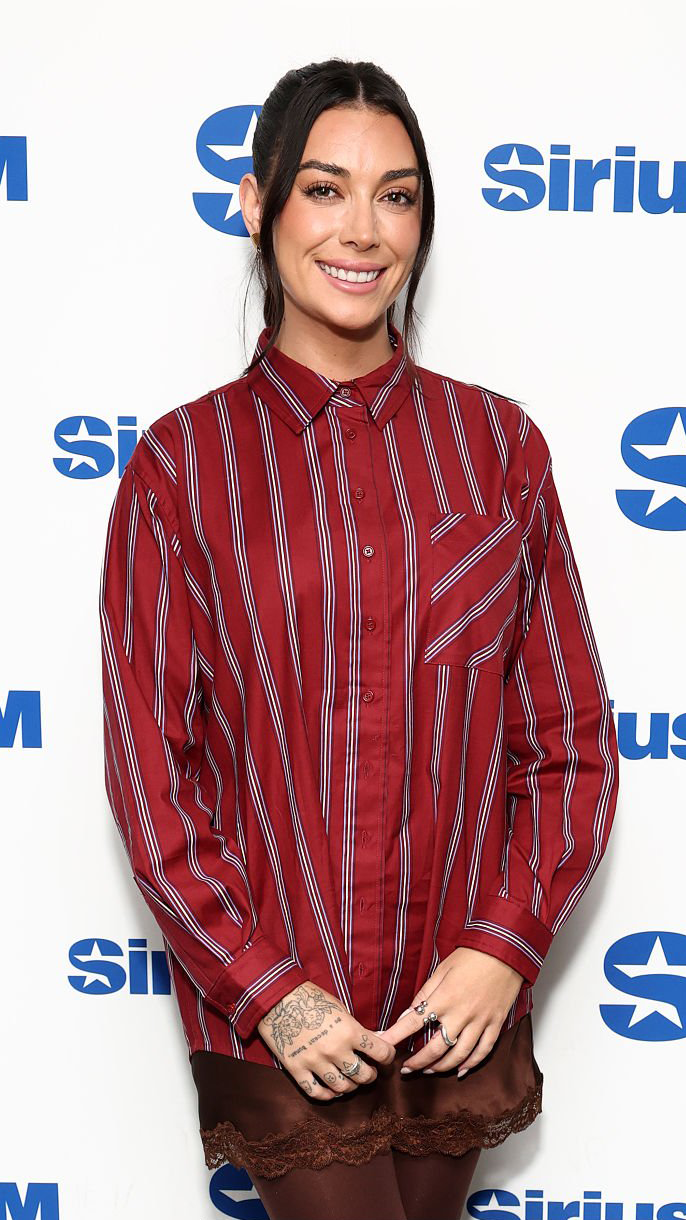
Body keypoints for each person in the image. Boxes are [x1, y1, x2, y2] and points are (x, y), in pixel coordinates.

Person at [98, 58, 620, 1220]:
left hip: (456, 1005)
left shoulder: (498, 449)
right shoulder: (182, 468)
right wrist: (270, 990)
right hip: (281, 1014)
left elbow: (570, 743)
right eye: (324, 188)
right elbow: (152, 777)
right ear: (258, 203)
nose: (362, 229)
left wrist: (502, 943)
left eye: (396, 195)